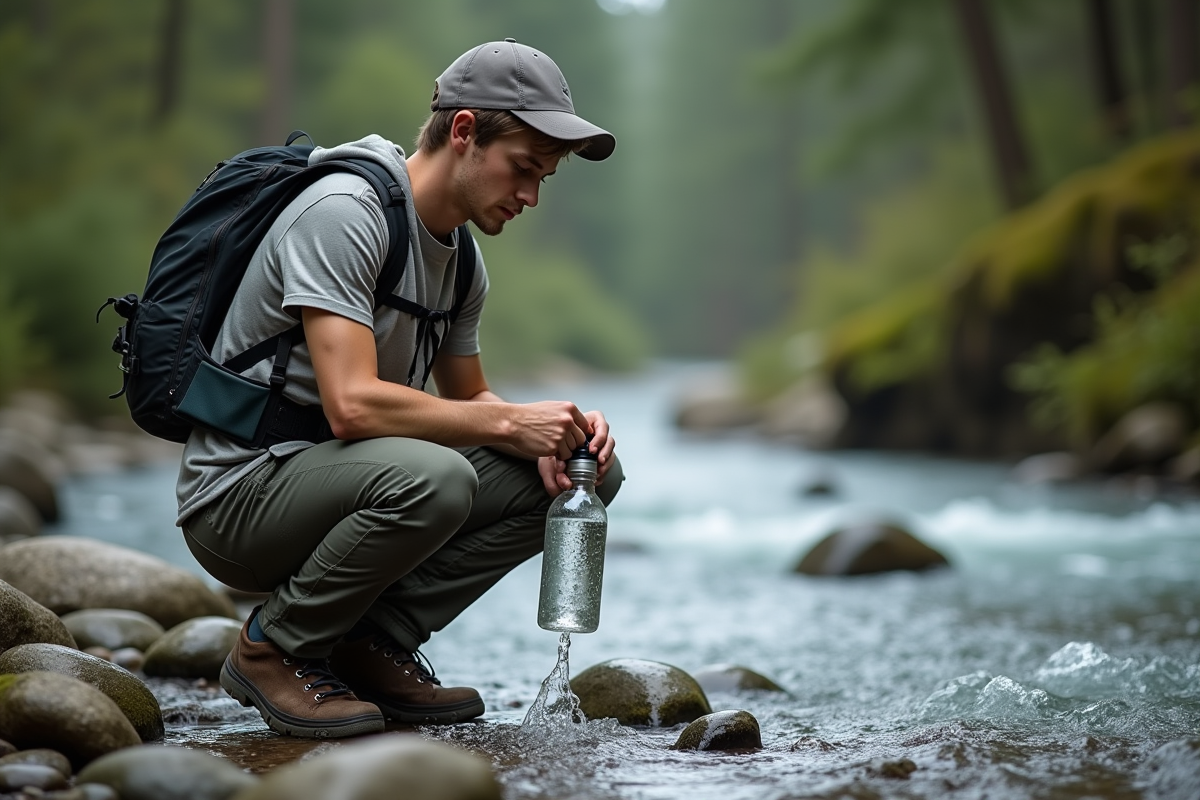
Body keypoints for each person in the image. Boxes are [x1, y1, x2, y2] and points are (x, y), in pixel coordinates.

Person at [175, 39, 622, 739]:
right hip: (239, 499)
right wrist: (509, 425)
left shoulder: (462, 262)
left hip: (341, 487)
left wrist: (554, 433)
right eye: (523, 168)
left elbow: (470, 400)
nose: (531, 196)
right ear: (464, 130)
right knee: (437, 478)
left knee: (584, 473)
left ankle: (367, 639)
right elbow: (352, 405)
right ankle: (273, 648)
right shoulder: (345, 212)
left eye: (544, 178)